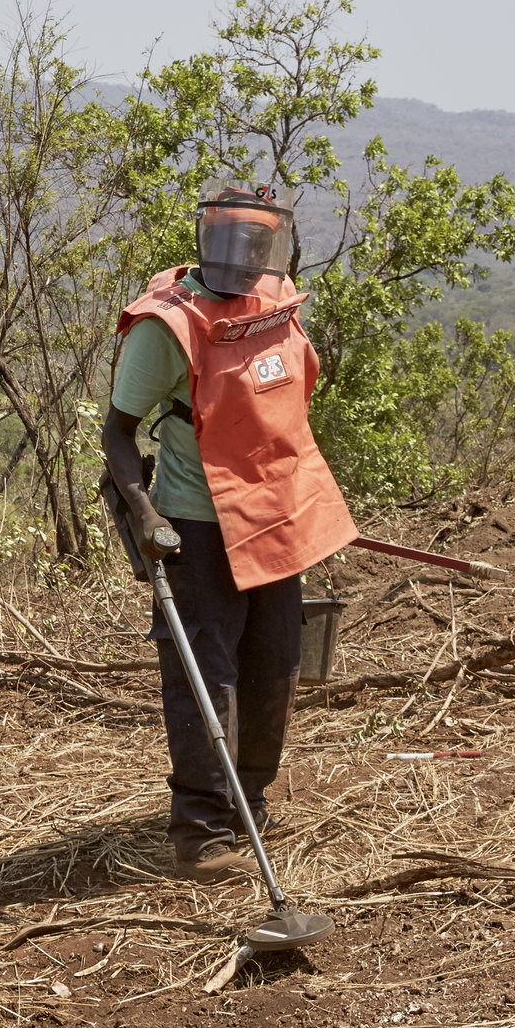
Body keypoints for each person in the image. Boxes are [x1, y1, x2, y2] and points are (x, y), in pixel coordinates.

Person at [102, 182, 357, 883]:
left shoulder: (277, 302)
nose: (244, 258)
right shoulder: (168, 326)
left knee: (274, 664)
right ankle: (202, 830)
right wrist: (145, 512)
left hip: (276, 511)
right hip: (198, 521)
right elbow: (117, 432)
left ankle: (249, 799)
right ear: (206, 239)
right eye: (232, 243)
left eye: (257, 244)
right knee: (203, 675)